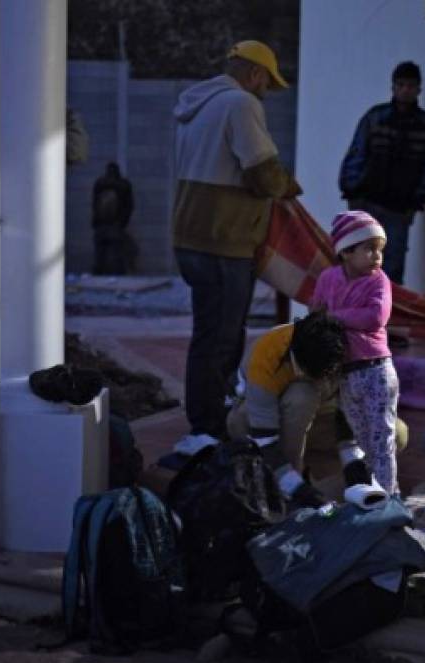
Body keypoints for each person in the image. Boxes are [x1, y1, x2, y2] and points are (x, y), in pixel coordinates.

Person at [171, 40, 301, 454]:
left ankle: (211, 417)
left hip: (191, 238)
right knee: (221, 338)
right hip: (224, 242)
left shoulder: (195, 106)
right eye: (268, 82)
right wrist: (288, 186)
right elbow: (263, 173)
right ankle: (207, 429)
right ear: (255, 74)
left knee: (209, 333)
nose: (267, 91)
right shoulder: (241, 105)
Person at [311, 211, 400, 497]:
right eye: (369, 249)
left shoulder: (379, 281)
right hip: (346, 375)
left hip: (376, 370)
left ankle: (389, 496)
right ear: (346, 252)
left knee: (382, 438)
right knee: (362, 437)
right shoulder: (328, 279)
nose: (377, 256)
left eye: (380, 250)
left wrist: (334, 318)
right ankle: (374, 493)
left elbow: (376, 316)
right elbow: (316, 313)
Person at [226, 312, 347, 509]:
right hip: (260, 425)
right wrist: (295, 487)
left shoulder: (341, 347)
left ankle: (302, 479)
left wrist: (353, 460)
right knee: (301, 396)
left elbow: (353, 411)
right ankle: (289, 484)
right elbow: (266, 442)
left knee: (397, 435)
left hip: (317, 419)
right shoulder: (266, 359)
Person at [338, 61, 425, 286]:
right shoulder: (375, 117)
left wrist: (417, 199)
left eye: (410, 86)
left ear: (418, 90)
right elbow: (357, 153)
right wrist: (351, 190)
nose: (405, 90)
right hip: (367, 202)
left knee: (391, 270)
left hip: (399, 209)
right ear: (393, 87)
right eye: (401, 85)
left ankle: (384, 318)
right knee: (356, 263)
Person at [91, 162, 136, 275]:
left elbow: (95, 203)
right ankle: (117, 273)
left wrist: (96, 221)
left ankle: (100, 273)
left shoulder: (101, 183)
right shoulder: (123, 184)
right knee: (116, 252)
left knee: (101, 253)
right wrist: (123, 222)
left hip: (103, 224)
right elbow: (129, 205)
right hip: (116, 224)